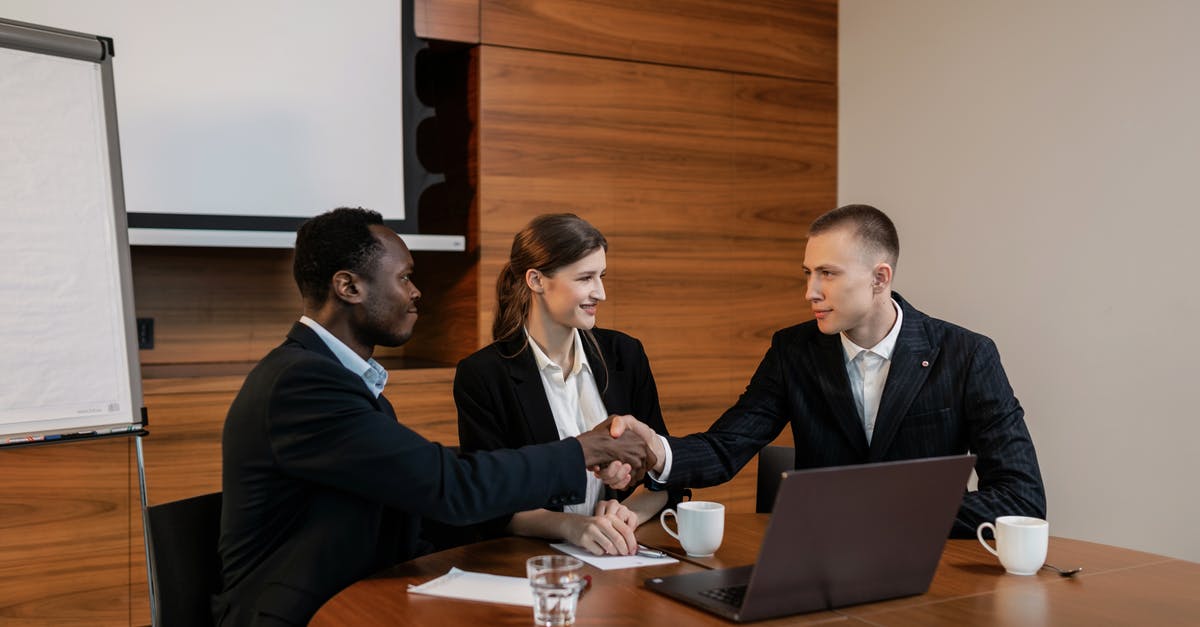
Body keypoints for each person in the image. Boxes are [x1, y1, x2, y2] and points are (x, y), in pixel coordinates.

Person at [213, 207, 655, 626]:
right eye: (405, 277)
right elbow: (446, 486)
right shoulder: (303, 384)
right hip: (299, 612)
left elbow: (423, 485)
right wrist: (581, 452)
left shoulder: (331, 378)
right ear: (349, 287)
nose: (416, 291)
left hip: (355, 589)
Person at [615, 204, 1046, 537]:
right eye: (808, 273)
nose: (810, 292)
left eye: (828, 274)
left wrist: (889, 517)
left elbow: (1020, 498)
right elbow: (728, 446)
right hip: (818, 567)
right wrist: (657, 450)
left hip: (936, 570)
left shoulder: (968, 355)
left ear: (880, 277)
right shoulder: (793, 350)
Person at [454, 214, 679, 557]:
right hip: (532, 563)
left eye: (601, 276)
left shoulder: (625, 355)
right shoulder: (482, 375)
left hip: (623, 557)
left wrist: (628, 512)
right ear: (536, 280)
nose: (600, 293)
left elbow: (667, 474)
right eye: (586, 278)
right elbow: (491, 501)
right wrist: (572, 527)